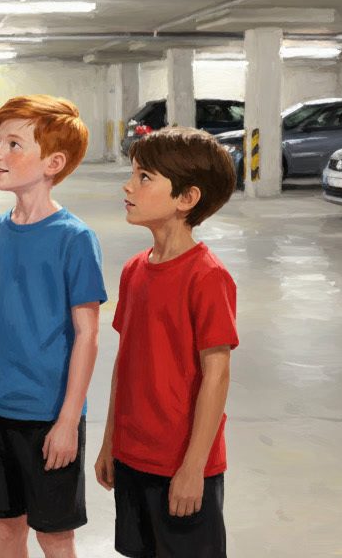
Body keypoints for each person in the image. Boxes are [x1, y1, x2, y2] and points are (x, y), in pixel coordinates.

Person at [0, 95, 106, 558]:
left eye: (14, 144)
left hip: (46, 417)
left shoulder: (75, 239)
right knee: (5, 529)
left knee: (55, 535)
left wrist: (67, 421)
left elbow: (87, 335)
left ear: (53, 163)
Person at [94, 127, 238, 558]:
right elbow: (127, 361)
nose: (128, 185)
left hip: (183, 464)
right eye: (133, 174)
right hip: (133, 457)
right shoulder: (135, 270)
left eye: (144, 178)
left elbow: (217, 374)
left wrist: (193, 468)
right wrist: (110, 442)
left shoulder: (207, 277)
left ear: (186, 198)